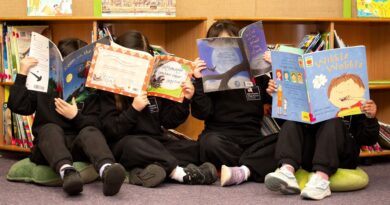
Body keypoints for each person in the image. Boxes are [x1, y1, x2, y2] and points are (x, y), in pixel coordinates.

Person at [99, 31, 217, 188]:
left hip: (156, 142)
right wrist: (134, 109)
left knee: (195, 148)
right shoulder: (108, 89)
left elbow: (169, 121)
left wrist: (184, 99)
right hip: (126, 144)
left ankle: (144, 172)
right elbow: (110, 130)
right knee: (133, 145)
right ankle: (179, 174)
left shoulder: (155, 82)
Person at [8, 38, 126, 196]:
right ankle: (67, 172)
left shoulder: (89, 91)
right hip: (48, 148)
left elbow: (98, 125)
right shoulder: (43, 85)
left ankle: (106, 169)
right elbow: (18, 106)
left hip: (78, 146)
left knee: (90, 131)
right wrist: (22, 74)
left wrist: (76, 116)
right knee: (50, 128)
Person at [191, 20, 278, 187]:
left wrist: (276, 72)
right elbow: (201, 113)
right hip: (221, 139)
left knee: (284, 141)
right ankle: (252, 167)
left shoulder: (257, 76)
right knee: (208, 143)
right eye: (220, 45)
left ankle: (240, 170)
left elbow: (279, 107)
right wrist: (199, 82)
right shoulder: (207, 77)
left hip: (252, 141)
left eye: (231, 44)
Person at [264, 79, 379, 200]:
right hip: (311, 155)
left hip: (342, 156)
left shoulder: (356, 100)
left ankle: (321, 180)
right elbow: (284, 125)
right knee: (292, 122)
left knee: (332, 121)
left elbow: (369, 140)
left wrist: (370, 118)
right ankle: (287, 170)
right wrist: (278, 98)